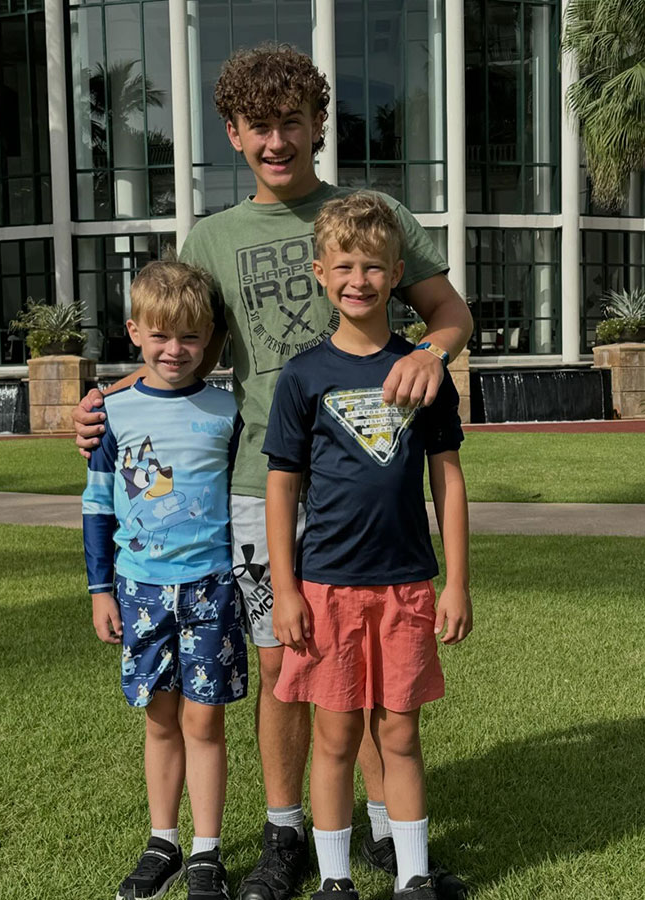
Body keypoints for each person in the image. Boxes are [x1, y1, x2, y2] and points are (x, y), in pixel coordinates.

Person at [73, 44, 474, 900]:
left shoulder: (372, 213)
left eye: (293, 122)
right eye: (260, 127)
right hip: (260, 478)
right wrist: (112, 410)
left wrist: (432, 356)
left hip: (371, 470)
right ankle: (287, 831)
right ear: (234, 134)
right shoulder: (211, 237)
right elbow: (174, 348)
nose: (278, 141)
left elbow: (449, 311)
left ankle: (378, 828)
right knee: (294, 657)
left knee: (365, 658)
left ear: (319, 124)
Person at [263, 192, 472, 900]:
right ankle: (336, 880)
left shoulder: (424, 374)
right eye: (344, 265)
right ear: (321, 273)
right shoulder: (302, 377)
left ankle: (413, 875)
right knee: (335, 738)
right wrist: (286, 590)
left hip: (408, 583)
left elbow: (448, 480)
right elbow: (282, 488)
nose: (359, 279)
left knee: (402, 733)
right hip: (326, 588)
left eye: (374, 266)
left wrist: (456, 582)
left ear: (397, 273)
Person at [82, 261, 247, 900]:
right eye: (159, 336)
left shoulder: (226, 411)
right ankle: (164, 841)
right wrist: (101, 590)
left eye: (189, 338)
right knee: (160, 720)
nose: (174, 351)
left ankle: (206, 852)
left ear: (210, 340)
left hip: (212, 587)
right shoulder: (111, 412)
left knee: (204, 722)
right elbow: (97, 506)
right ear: (134, 332)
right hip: (140, 590)